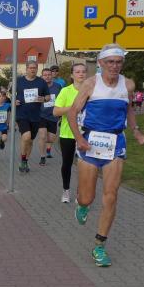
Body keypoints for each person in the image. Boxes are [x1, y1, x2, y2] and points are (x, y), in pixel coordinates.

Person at [66, 43, 144, 268]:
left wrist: (136, 130)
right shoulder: (90, 84)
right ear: (101, 63)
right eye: (110, 62)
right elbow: (72, 113)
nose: (114, 66)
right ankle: (82, 205)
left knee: (110, 196)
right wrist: (79, 139)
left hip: (115, 143)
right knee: (87, 197)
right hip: (90, 143)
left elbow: (128, 108)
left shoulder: (128, 84)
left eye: (118, 62)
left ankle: (99, 246)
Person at [53, 63, 87, 203]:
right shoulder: (65, 91)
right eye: (77, 72)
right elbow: (56, 112)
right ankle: (66, 190)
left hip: (86, 134)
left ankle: (81, 192)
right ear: (72, 75)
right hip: (67, 134)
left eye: (83, 71)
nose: (81, 74)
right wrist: (73, 107)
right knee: (67, 164)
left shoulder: (91, 92)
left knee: (84, 166)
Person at [14, 60, 50, 173]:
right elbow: (10, 93)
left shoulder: (41, 82)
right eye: (30, 68)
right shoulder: (19, 81)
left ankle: (25, 161)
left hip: (35, 116)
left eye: (35, 68)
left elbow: (48, 96)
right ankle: (22, 160)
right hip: (22, 114)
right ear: (26, 69)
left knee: (30, 141)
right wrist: (13, 101)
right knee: (26, 137)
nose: (33, 70)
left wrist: (43, 99)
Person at [38, 67, 62, 165]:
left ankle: (45, 144)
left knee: (51, 139)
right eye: (45, 75)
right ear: (42, 76)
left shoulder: (58, 86)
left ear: (52, 76)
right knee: (42, 136)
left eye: (49, 75)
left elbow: (61, 99)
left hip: (53, 116)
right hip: (41, 115)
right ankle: (42, 157)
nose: (47, 77)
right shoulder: (39, 87)